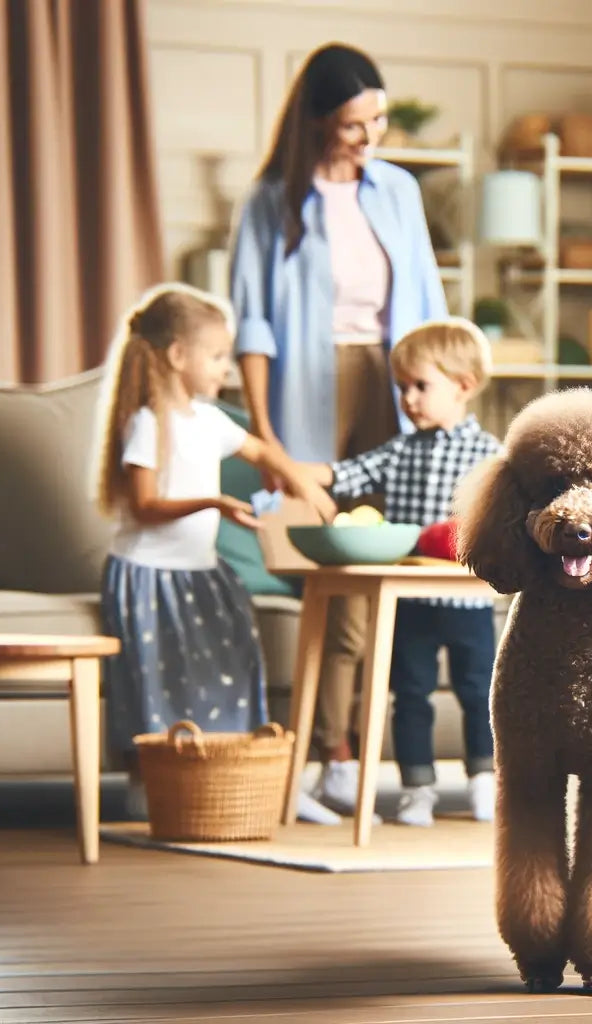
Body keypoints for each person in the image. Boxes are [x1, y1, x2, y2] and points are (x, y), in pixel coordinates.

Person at [228, 42, 448, 813]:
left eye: (379, 120)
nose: (371, 137)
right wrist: (266, 440)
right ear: (318, 121)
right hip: (304, 397)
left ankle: (353, 763)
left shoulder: (398, 192)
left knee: (380, 585)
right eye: (355, 125)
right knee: (331, 585)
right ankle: (332, 758)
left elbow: (426, 302)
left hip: (394, 394)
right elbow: (251, 327)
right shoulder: (269, 202)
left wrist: (444, 405)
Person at [92, 283, 332, 818]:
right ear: (178, 357)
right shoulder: (148, 424)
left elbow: (261, 449)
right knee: (153, 679)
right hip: (149, 575)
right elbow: (147, 503)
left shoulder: (210, 419)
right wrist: (214, 502)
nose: (226, 369)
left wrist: (302, 483)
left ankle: (250, 778)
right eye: (218, 356)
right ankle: (149, 786)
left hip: (201, 572)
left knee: (232, 662)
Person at [293, 319, 502, 827]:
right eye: (402, 387)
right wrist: (293, 470)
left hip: (469, 601)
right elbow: (346, 474)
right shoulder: (400, 449)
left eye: (420, 386)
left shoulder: (492, 454)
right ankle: (416, 789)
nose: (408, 398)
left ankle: (484, 781)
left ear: (464, 386)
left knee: (480, 693)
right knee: (410, 695)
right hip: (408, 600)